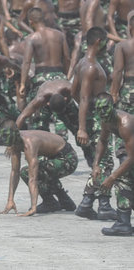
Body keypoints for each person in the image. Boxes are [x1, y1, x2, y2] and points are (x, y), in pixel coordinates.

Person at [71, 27, 117, 221]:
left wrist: (87, 112)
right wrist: (83, 126)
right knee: (105, 161)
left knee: (100, 161)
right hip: (98, 120)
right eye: (106, 41)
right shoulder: (91, 67)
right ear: (98, 41)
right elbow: (82, 97)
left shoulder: (82, 63)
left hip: (95, 117)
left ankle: (87, 202)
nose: (108, 44)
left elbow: (74, 92)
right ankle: (104, 204)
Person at [0, 121, 77, 216]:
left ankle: (50, 202)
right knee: (42, 167)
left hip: (67, 159)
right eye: (3, 136)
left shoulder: (29, 142)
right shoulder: (14, 140)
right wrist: (10, 200)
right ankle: (65, 201)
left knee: (27, 172)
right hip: (52, 158)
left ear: (15, 133)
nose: (6, 141)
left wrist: (33, 207)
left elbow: (33, 178)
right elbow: (14, 172)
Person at [16, 79, 93, 168]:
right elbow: (22, 116)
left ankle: (90, 155)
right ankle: (42, 161)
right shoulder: (41, 99)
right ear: (47, 103)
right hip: (45, 102)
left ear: (66, 98)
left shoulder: (70, 89)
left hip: (65, 102)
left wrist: (82, 129)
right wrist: (13, 138)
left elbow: (84, 104)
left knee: (78, 128)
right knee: (39, 130)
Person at [18, 8, 70, 133]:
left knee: (39, 115)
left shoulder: (31, 38)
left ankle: (43, 141)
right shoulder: (59, 35)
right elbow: (67, 58)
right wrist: (66, 76)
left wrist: (23, 83)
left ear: (30, 22)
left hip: (41, 77)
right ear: (44, 19)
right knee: (60, 112)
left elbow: (26, 62)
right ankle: (61, 138)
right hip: (59, 75)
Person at [92, 93, 134, 236]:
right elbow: (103, 141)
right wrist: (96, 164)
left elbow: (131, 157)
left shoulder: (125, 122)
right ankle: (123, 222)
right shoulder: (106, 120)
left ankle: (123, 223)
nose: (102, 112)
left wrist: (112, 176)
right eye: (99, 109)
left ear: (113, 106)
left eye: (105, 108)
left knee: (122, 179)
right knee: (126, 181)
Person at [110, 15, 134, 163]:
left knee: (123, 123)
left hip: (128, 89)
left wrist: (113, 92)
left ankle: (124, 158)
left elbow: (118, 71)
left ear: (130, 28)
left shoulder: (123, 46)